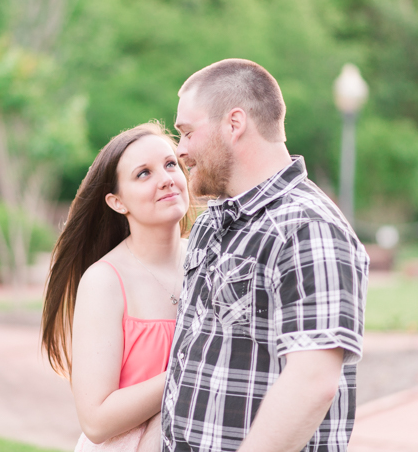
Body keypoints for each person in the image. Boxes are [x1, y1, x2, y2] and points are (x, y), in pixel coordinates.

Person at [160, 59, 369, 452]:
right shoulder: (211, 223)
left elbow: (313, 383)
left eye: (187, 132)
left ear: (234, 124)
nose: (181, 148)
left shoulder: (308, 226)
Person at [41, 122, 195, 452]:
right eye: (144, 173)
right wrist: (191, 368)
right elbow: (96, 421)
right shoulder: (104, 281)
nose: (166, 178)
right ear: (117, 202)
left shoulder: (208, 258)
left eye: (171, 165)